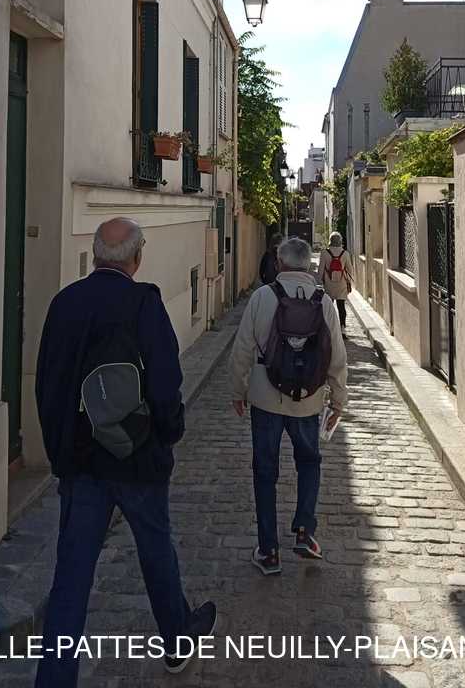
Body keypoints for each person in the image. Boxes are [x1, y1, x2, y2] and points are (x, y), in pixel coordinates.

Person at [35, 217, 216, 685]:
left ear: (97, 255)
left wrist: (60, 453)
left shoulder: (65, 303)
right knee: (156, 551)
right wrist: (167, 435)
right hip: (137, 457)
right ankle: (177, 641)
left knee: (71, 578)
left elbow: (48, 385)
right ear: (136, 258)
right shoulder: (143, 304)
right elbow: (165, 382)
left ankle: (54, 679)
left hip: (81, 462)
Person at [231, 237, 348, 575]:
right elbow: (337, 356)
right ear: (309, 265)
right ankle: (304, 532)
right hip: (308, 400)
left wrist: (238, 391)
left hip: (266, 398)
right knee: (309, 463)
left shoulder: (262, 297)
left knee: (264, 471)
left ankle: (268, 551)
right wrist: (338, 400)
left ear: (279, 264)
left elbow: (242, 349)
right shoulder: (324, 301)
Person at [318, 231, 354, 330]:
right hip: (341, 284)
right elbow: (350, 269)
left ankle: (328, 327)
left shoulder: (324, 253)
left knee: (328, 307)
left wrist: (319, 282)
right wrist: (348, 281)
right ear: (340, 241)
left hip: (329, 284)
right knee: (341, 306)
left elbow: (320, 270)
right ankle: (342, 328)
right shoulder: (345, 253)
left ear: (330, 240)